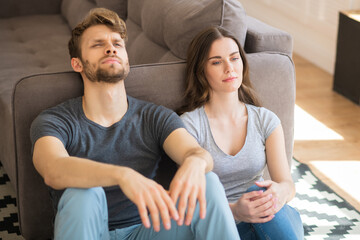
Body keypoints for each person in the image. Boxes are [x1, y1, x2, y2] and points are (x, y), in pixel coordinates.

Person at [30, 8, 240, 240]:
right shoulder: (55, 120)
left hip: (149, 231)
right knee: (83, 193)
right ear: (77, 63)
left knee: (207, 180)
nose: (111, 48)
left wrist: (195, 162)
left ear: (127, 58)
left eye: (117, 44)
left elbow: (197, 153)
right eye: (98, 44)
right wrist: (123, 176)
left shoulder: (154, 116)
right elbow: (53, 169)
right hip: (92, 232)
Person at [178, 26, 304, 240]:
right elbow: (191, 201)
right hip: (222, 225)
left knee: (263, 196)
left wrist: (281, 192)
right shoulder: (189, 127)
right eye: (217, 62)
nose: (229, 68)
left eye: (234, 58)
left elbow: (287, 183)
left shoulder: (266, 120)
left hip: (269, 216)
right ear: (201, 71)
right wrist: (236, 210)